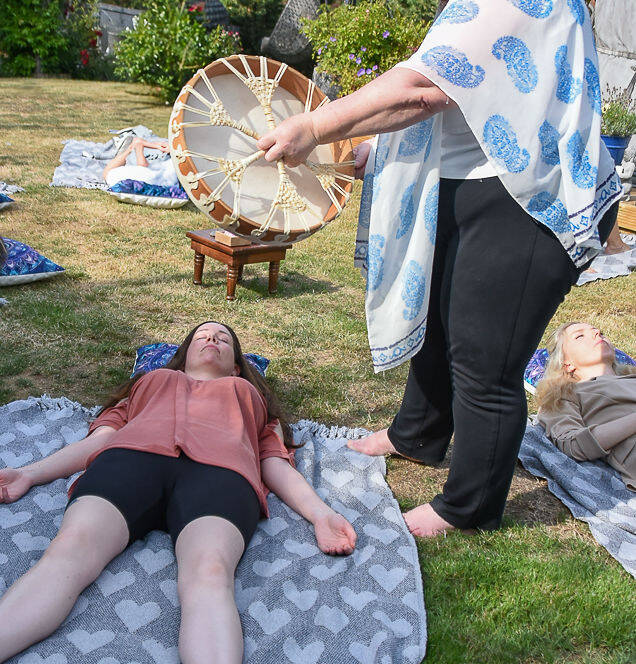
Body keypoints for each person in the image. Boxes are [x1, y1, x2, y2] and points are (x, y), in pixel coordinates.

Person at [257, 1, 623, 536]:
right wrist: (380, 150)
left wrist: (316, 125)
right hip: (476, 181)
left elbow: (424, 90)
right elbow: (462, 97)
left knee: (484, 358)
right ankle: (418, 435)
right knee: (438, 318)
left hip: (529, 193)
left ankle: (469, 507)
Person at [0, 321, 357, 664]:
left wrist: (319, 515)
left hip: (219, 476)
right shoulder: (149, 383)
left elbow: (272, 463)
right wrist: (28, 473)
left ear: (238, 366)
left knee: (209, 573)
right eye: (204, 335)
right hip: (131, 461)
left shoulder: (251, 399)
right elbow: (98, 442)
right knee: (68, 551)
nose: (213, 340)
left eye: (224, 339)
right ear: (181, 356)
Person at [536, 322, 636, 490]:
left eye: (599, 331)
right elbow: (573, 444)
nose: (597, 332)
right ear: (567, 363)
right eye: (579, 336)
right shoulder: (563, 395)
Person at [102, 136, 180, 189]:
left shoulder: (111, 176)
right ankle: (136, 145)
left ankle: (136, 146)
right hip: (154, 177)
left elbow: (143, 167)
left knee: (107, 174)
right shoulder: (112, 176)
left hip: (149, 178)